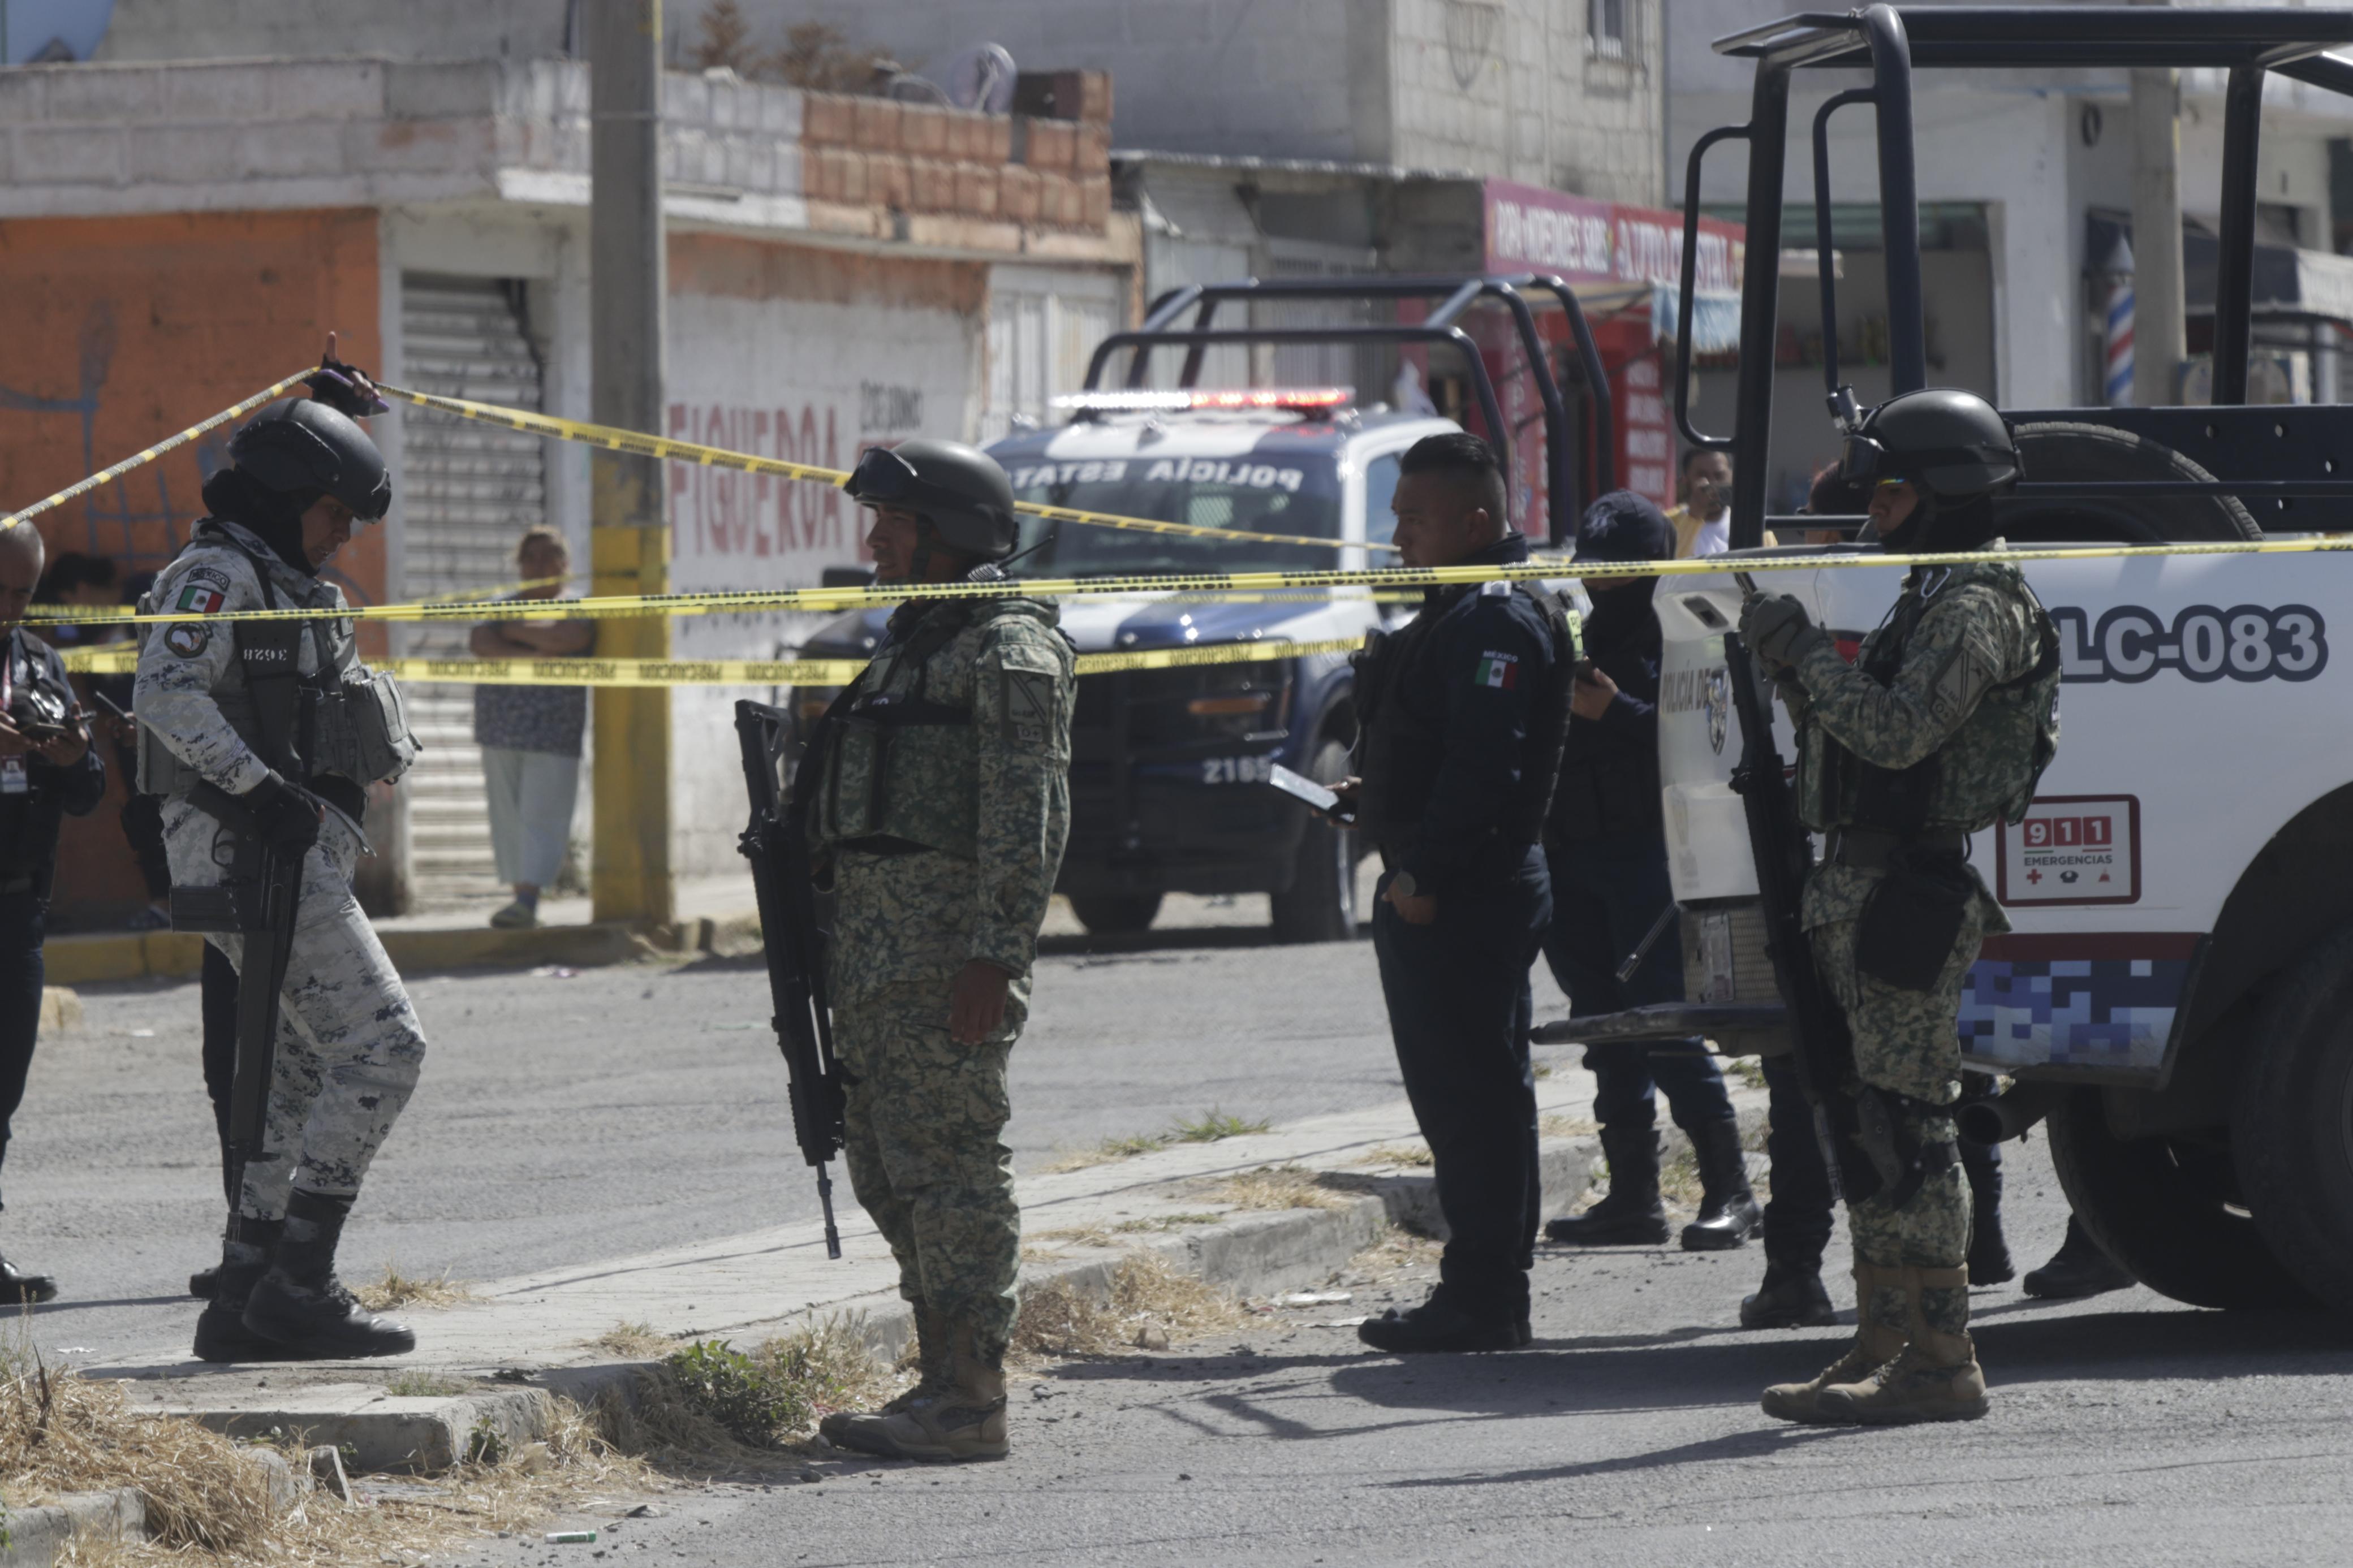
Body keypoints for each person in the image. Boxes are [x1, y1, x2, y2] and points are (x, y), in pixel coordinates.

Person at [1738, 387, 2059, 1426]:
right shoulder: (1928, 593)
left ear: (1942, 493)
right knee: (1870, 1118)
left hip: (1907, 895)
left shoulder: (1975, 604)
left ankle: (1941, 1353)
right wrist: (1792, 672)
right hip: (1864, 886)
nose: (1870, 508)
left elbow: (1900, 731)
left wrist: (1808, 660)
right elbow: (1853, 740)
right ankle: (1885, 1330)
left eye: (1885, 489)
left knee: (1916, 1130)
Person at [135, 356, 430, 1362]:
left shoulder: (288, 582)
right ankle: (303, 1281)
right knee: (388, 1045)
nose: (345, 533)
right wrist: (265, 793)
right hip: (252, 857)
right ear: (288, 499)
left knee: (295, 1075)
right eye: (334, 512)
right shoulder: (214, 577)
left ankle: (248, 1289)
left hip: (296, 859)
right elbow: (164, 697)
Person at [811, 438, 1076, 1463]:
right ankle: (939, 1376)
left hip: (945, 955)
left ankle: (971, 1396)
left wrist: (995, 953)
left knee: (954, 1171)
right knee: (885, 1167)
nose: (875, 539)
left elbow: (1028, 812)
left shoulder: (1008, 647)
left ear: (949, 533)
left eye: (895, 522)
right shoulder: (916, 639)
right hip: (875, 955)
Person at [1344, 431, 1574, 1354]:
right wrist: (1380, 802)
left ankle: (1483, 1294)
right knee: (1479, 1095)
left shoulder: (1493, 616)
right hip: (1450, 880)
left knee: (1469, 1100)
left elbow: (1487, 766)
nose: (1397, 534)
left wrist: (1425, 874)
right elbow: (1447, 747)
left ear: (1474, 522)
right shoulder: (1459, 609)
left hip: (1463, 892)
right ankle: (1489, 1286)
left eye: (1414, 517)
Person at [1542, 491, 1757, 1252]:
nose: (1601, 584)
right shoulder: (1575, 628)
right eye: (1592, 571)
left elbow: (1706, 742)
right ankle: (1633, 1195)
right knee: (1604, 1029)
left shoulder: (1685, 630)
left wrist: (1619, 712)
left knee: (1666, 1020)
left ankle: (1730, 1187)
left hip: (1647, 855)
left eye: (1616, 571)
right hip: (1573, 855)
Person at [0, 526, 107, 1303]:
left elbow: (89, 790)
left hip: (18, 905)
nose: (10, 607)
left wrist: (72, 759)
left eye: (22, 593)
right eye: (0, 591)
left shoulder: (39, 661)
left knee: (1, 1091)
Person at [467, 527, 594, 929]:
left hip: (554, 732)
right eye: (532, 557)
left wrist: (515, 632)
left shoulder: (577, 607)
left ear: (565, 564)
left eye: (551, 555)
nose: (540, 564)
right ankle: (518, 896)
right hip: (501, 728)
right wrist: (542, 647)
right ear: (520, 564)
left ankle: (528, 899)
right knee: (508, 816)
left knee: (544, 814)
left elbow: (570, 636)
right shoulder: (498, 605)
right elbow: (482, 641)